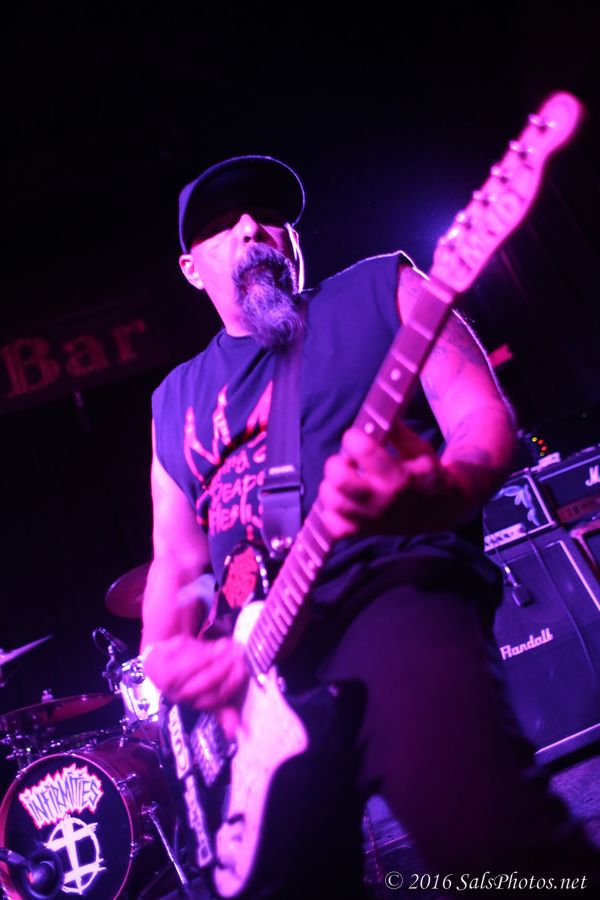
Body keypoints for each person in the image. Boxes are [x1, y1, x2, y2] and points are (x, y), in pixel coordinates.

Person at [142, 155, 599, 898]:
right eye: (222, 224)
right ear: (191, 269)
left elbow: (479, 418)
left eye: (267, 213)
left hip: (387, 588)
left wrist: (442, 491)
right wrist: (165, 651)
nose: (251, 227)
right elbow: (174, 560)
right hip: (256, 672)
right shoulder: (174, 400)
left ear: (293, 238)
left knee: (498, 850)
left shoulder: (380, 289)